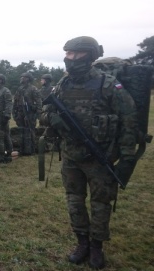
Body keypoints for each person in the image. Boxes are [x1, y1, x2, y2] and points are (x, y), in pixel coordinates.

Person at [40, 36, 138, 269]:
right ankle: (82, 242)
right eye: (68, 54)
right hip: (71, 155)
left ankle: (96, 247)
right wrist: (53, 119)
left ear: (90, 55)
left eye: (76, 54)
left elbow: (129, 121)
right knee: (74, 200)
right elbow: (45, 113)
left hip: (100, 157)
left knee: (101, 203)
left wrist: (126, 156)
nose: (70, 59)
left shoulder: (108, 84)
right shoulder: (63, 85)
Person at [13, 72, 41, 155]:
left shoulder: (33, 89)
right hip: (20, 113)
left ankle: (31, 150)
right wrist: (14, 112)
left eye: (23, 77)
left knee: (30, 131)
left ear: (28, 79)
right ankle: (22, 149)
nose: (21, 78)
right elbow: (15, 101)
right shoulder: (19, 89)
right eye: (21, 77)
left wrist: (37, 114)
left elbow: (39, 102)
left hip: (30, 113)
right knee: (21, 131)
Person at [0, 73, 14, 163]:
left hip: (2, 116)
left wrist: (7, 115)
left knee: (4, 135)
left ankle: (8, 153)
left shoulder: (5, 91)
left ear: (1, 80)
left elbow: (9, 103)